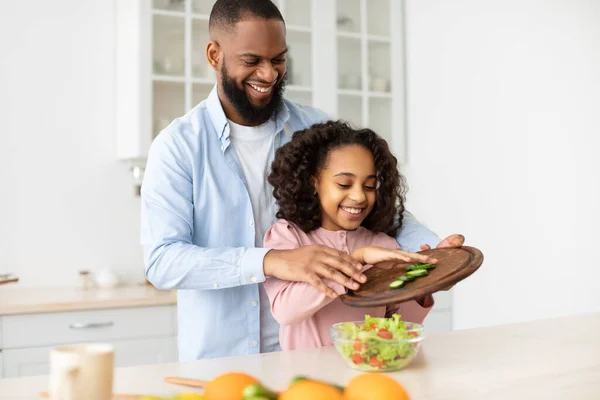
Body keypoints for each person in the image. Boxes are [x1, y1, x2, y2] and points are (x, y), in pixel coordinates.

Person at [140, 0, 464, 361]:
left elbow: (374, 210)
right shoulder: (178, 146)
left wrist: (432, 253)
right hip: (220, 358)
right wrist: (272, 260)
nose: (269, 74)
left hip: (313, 356)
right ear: (215, 54)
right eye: (252, 61)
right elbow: (162, 261)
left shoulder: (313, 129)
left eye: (278, 59)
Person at [263, 120, 440, 350]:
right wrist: (356, 260)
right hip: (309, 379)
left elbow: (398, 324)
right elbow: (287, 312)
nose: (359, 196)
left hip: (369, 371)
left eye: (369, 186)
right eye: (344, 184)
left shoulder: (382, 243)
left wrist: (422, 286)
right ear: (313, 182)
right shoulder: (288, 237)